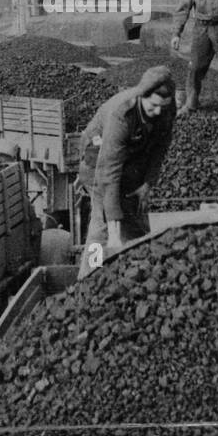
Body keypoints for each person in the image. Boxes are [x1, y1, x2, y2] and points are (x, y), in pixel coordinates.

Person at [76, 66, 177, 279]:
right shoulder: (121, 114)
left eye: (163, 107)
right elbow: (109, 172)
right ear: (142, 97)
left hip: (131, 160)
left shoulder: (166, 108)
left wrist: (148, 184)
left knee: (136, 218)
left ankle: (139, 273)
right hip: (98, 161)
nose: (158, 112)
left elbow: (160, 147)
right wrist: (114, 231)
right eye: (153, 106)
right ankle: (89, 277)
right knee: (102, 224)